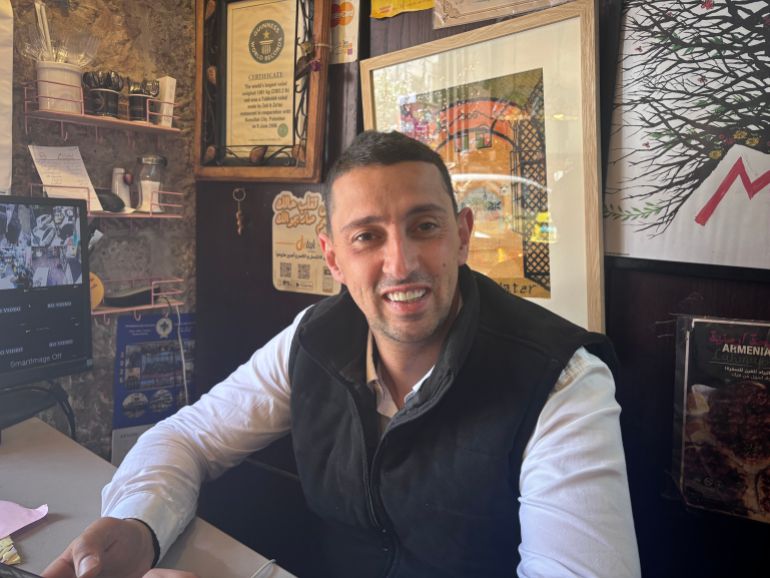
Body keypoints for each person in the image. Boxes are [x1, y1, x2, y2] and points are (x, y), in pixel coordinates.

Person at [43, 130, 641, 578]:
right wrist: (138, 525)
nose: (400, 263)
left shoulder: (563, 381)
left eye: (425, 227)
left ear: (463, 235)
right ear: (333, 259)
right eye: (367, 237)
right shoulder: (315, 337)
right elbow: (185, 437)